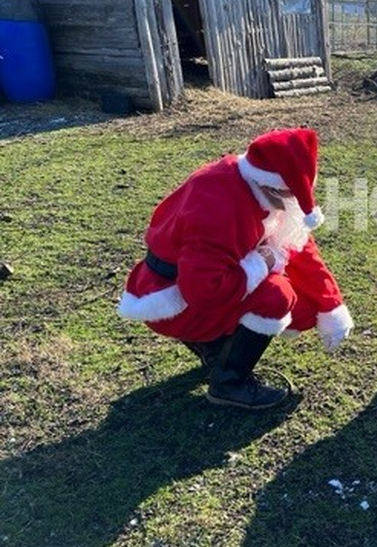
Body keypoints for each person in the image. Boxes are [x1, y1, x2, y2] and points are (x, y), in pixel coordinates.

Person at [118, 128, 354, 409]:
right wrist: (263, 263)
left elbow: (296, 243)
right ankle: (230, 383)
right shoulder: (220, 207)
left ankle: (214, 350)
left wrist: (331, 304)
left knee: (295, 301)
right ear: (275, 187)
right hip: (175, 299)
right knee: (277, 295)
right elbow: (203, 290)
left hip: (180, 282)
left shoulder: (248, 179)